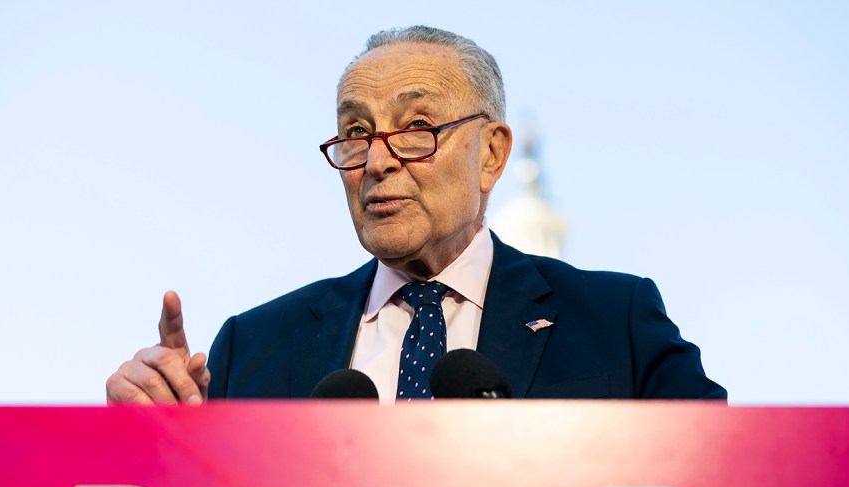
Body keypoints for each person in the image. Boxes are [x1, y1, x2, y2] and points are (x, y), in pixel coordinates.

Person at [106, 26, 726, 405]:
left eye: (417, 127)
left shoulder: (617, 322)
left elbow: (719, 475)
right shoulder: (255, 346)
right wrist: (163, 447)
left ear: (491, 153)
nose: (377, 161)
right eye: (355, 132)